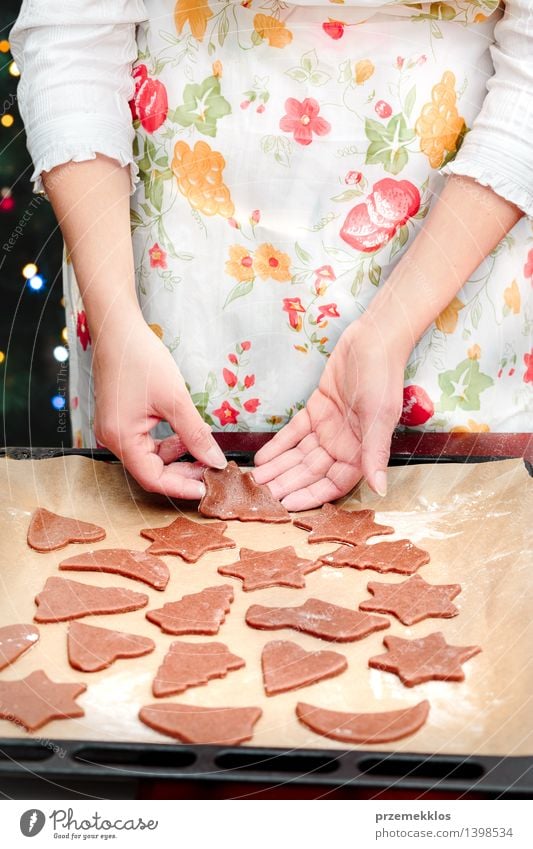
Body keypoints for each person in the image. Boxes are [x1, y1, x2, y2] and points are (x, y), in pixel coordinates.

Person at [9, 0, 533, 510]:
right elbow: (72, 31)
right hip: (165, 281)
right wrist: (116, 322)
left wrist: (392, 330)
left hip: (457, 256)